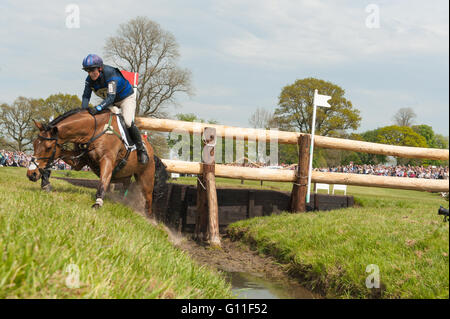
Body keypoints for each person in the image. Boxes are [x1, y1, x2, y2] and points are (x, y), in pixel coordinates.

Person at [80, 54, 149, 164]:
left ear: (100, 68)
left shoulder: (110, 74)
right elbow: (86, 96)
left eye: (92, 70)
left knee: (127, 122)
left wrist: (97, 108)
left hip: (125, 99)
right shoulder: (89, 80)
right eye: (87, 70)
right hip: (110, 102)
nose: (90, 73)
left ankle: (141, 149)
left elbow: (111, 97)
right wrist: (83, 112)